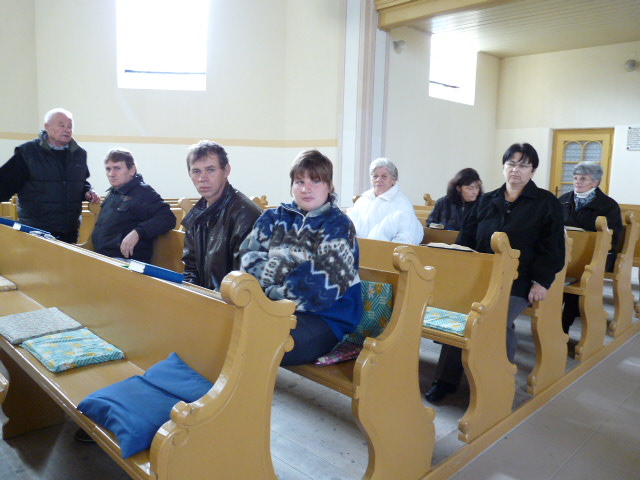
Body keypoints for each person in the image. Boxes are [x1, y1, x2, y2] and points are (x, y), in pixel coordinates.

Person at [425, 143, 565, 403]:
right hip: (481, 276)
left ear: (533, 170)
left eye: (523, 165)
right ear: (503, 167)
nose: (516, 170)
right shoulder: (487, 200)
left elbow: (553, 248)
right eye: (511, 164)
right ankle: (444, 381)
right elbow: (466, 238)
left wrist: (541, 282)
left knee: (496, 320)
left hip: (520, 281)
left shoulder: (546, 203)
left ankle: (499, 382)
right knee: (460, 314)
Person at [240, 150, 363, 366]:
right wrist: (295, 272)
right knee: (223, 328)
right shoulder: (272, 217)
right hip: (270, 309)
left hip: (326, 318)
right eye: (299, 181)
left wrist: (270, 290)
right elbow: (248, 263)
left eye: (315, 181)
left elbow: (319, 288)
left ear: (329, 186)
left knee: (259, 343)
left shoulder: (338, 225)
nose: (306, 189)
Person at [0, 108, 100, 243]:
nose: (67, 129)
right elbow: (5, 183)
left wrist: (88, 192)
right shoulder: (28, 152)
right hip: (36, 231)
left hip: (69, 230)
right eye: (62, 125)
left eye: (70, 126)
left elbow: (80, 182)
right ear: (47, 127)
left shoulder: (79, 153)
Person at [181, 140, 262, 290]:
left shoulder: (246, 214)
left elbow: (244, 280)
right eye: (196, 171)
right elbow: (190, 268)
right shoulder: (197, 214)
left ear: (226, 171)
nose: (202, 178)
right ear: (189, 174)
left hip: (231, 300)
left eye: (210, 170)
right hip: (204, 298)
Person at [558, 161, 623, 334]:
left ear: (595, 182)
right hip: (564, 253)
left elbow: (614, 238)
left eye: (583, 179)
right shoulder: (563, 201)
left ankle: (564, 323)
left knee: (580, 273)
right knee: (552, 270)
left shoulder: (608, 206)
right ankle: (550, 317)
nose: (577, 182)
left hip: (594, 256)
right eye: (575, 178)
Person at [91, 149, 175, 263]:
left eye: (117, 168)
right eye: (108, 169)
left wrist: (138, 232)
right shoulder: (113, 192)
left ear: (132, 170)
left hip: (126, 262)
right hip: (104, 257)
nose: (111, 174)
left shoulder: (143, 193)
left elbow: (168, 218)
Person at [347, 157, 423, 245]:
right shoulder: (362, 201)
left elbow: (407, 239)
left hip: (383, 252)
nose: (378, 180)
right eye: (375, 176)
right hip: (356, 250)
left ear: (394, 180)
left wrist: (379, 251)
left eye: (384, 176)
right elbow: (348, 228)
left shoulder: (403, 205)